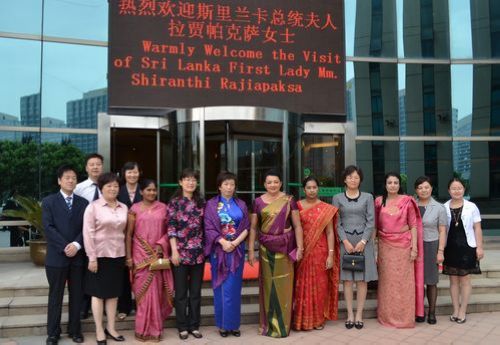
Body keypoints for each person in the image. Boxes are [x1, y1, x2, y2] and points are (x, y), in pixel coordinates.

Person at [248, 169, 304, 338]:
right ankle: (267, 325)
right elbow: (252, 227)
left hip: (285, 249)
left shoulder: (289, 200)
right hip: (265, 250)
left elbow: (297, 226)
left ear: (280, 183)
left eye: (276, 182)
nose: (272, 185)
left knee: (284, 288)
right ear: (264, 184)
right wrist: (251, 250)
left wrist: (300, 248)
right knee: (267, 287)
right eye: (269, 182)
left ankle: (283, 326)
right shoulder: (257, 202)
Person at [42, 165, 89, 345]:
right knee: (56, 296)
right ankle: (53, 332)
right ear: (59, 180)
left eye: (74, 178)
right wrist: (65, 246)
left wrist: (77, 245)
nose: (71, 180)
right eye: (67, 177)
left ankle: (75, 330)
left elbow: (87, 228)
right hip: (56, 258)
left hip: (77, 258)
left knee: (77, 295)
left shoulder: (83, 203)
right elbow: (48, 228)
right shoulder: (48, 202)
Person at [125, 179, 174, 342]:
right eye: (148, 190)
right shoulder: (134, 209)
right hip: (140, 259)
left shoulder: (163, 208)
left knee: (157, 294)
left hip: (158, 257)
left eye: (154, 190)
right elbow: (129, 235)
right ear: (141, 192)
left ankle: (155, 330)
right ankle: (141, 330)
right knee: (143, 296)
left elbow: (170, 231)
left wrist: (162, 244)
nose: (152, 193)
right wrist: (129, 257)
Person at [375, 172, 424, 328]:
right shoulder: (379, 201)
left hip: (404, 247)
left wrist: (414, 248)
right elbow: (375, 226)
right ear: (385, 185)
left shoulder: (407, 201)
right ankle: (387, 317)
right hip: (384, 247)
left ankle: (404, 317)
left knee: (403, 283)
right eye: (390, 183)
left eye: (396, 183)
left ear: (399, 185)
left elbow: (413, 225)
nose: (393, 185)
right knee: (387, 283)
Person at [83, 172, 127, 344]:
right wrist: (91, 258)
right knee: (97, 294)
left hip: (117, 255)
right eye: (109, 185)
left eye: (116, 186)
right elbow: (88, 234)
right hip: (99, 256)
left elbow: (125, 232)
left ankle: (111, 327)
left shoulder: (124, 207)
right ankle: (99, 329)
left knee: (113, 294)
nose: (113, 188)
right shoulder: (93, 207)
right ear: (101, 188)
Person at [204, 171, 250, 337]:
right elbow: (208, 227)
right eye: (226, 184)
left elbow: (246, 227)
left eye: (232, 184)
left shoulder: (241, 205)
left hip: (236, 251)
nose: (229, 187)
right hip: (219, 251)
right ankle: (223, 325)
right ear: (219, 186)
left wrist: (235, 243)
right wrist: (223, 242)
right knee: (221, 287)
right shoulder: (211, 205)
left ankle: (234, 325)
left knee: (234, 288)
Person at [332, 166, 377, 330]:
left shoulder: (368, 197)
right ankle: (350, 314)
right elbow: (337, 223)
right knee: (348, 280)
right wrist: (344, 241)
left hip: (364, 243)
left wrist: (363, 241)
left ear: (360, 180)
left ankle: (359, 314)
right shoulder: (337, 198)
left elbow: (371, 221)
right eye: (350, 177)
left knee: (362, 280)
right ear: (345, 179)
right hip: (346, 243)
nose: (353, 180)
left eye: (356, 177)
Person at [294, 176, 340, 331]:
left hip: (321, 252)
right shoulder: (297, 206)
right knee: (302, 287)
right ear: (303, 189)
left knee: (320, 288)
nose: (312, 190)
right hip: (303, 253)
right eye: (308, 188)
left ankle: (318, 319)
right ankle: (302, 320)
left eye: (314, 187)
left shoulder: (326, 208)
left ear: (318, 189)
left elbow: (330, 233)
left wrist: (331, 254)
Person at [167, 169, 205, 340]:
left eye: (193, 180)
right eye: (187, 179)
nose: (191, 182)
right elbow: (171, 228)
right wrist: (174, 251)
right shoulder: (174, 203)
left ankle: (194, 325)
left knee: (196, 293)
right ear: (180, 182)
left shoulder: (201, 202)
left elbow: (206, 227)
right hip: (180, 254)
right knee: (181, 293)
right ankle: (182, 326)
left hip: (198, 254)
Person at [443, 178, 484, 324]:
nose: (457, 190)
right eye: (453, 188)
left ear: (464, 189)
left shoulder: (472, 207)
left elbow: (477, 228)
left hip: (467, 247)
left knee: (465, 279)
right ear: (449, 190)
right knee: (453, 280)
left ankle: (463, 310)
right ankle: (455, 309)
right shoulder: (444, 207)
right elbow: (442, 230)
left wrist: (479, 247)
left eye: (459, 188)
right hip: (451, 248)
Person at [414, 176, 447, 324]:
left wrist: (440, 251)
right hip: (413, 246)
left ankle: (432, 312)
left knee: (431, 281)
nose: (423, 190)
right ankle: (419, 312)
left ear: (431, 188)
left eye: (426, 187)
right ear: (416, 190)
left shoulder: (439, 207)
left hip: (431, 245)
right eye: (420, 187)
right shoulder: (411, 204)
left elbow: (442, 231)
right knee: (416, 281)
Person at [74, 153, 104, 320]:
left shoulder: (109, 186)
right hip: (85, 237)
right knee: (85, 273)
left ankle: (104, 303)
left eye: (98, 164)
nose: (95, 167)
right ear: (86, 168)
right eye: (91, 164)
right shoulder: (79, 188)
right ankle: (84, 306)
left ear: (102, 166)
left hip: (105, 239)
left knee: (103, 272)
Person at [117, 161, 142, 321]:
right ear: (124, 174)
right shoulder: (117, 190)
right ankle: (124, 307)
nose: (132, 175)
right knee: (123, 274)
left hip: (142, 239)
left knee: (141, 273)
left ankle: (141, 304)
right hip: (120, 237)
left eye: (135, 172)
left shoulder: (145, 190)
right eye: (129, 172)